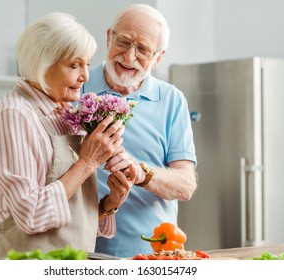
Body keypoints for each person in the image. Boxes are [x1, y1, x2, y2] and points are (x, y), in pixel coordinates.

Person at [0, 12, 136, 259]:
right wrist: (87, 163)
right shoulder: (15, 113)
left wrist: (109, 204)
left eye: (87, 64)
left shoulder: (65, 114)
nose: (86, 76)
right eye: (74, 65)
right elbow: (30, 215)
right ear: (43, 66)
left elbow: (67, 220)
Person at [82, 4, 197, 258]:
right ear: (109, 37)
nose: (129, 57)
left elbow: (186, 185)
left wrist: (142, 173)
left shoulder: (171, 100)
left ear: (158, 57)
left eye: (143, 49)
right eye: (123, 42)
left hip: (152, 254)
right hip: (82, 251)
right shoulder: (78, 84)